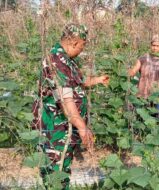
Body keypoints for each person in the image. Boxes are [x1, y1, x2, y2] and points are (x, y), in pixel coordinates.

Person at [31, 23, 109, 189]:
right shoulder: (56, 61)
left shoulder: (66, 60)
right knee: (55, 175)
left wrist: (98, 80)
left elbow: (78, 82)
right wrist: (82, 126)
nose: (82, 49)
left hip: (65, 128)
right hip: (56, 130)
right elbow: (66, 101)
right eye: (82, 45)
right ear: (74, 43)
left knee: (62, 171)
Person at [128, 34, 159, 115]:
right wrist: (126, 73)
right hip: (142, 96)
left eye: (157, 46)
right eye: (153, 45)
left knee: (154, 122)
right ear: (150, 45)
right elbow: (133, 71)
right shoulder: (143, 59)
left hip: (157, 98)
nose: (155, 48)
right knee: (140, 120)